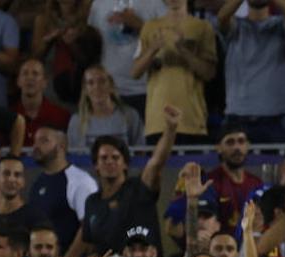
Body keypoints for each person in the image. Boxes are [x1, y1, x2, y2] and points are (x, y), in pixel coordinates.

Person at [78, 108, 178, 257]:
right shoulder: (92, 202)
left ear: (125, 164)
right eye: (104, 158)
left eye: (115, 157)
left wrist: (170, 130)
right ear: (96, 165)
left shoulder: (138, 188)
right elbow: (91, 244)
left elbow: (156, 163)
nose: (110, 161)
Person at [217, 0, 285, 144]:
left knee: (279, 167)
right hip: (237, 118)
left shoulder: (281, 25)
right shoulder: (235, 26)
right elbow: (222, 18)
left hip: (277, 120)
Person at [131, 0, 217, 142]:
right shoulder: (150, 27)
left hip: (192, 122)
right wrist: (153, 49)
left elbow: (209, 73)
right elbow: (135, 72)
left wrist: (183, 50)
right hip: (157, 123)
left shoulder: (203, 27)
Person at [88, 0, 166, 117]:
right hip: (109, 91)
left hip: (147, 90)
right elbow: (92, 43)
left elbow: (170, 42)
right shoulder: (98, 3)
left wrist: (140, 25)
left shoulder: (156, 3)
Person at [30, 127, 98, 251]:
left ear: (61, 146)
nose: (36, 146)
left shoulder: (80, 181)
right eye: (35, 141)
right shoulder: (38, 182)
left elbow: (90, 228)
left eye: (44, 141)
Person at [66, 65, 146, 151]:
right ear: (85, 89)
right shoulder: (77, 121)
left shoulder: (130, 115)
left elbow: (140, 152)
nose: (97, 87)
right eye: (90, 83)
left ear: (111, 85)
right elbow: (74, 156)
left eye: (102, 81)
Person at [13, 59, 71, 147]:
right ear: (18, 81)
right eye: (25, 73)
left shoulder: (62, 117)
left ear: (45, 82)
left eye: (35, 74)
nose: (30, 78)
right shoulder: (9, 115)